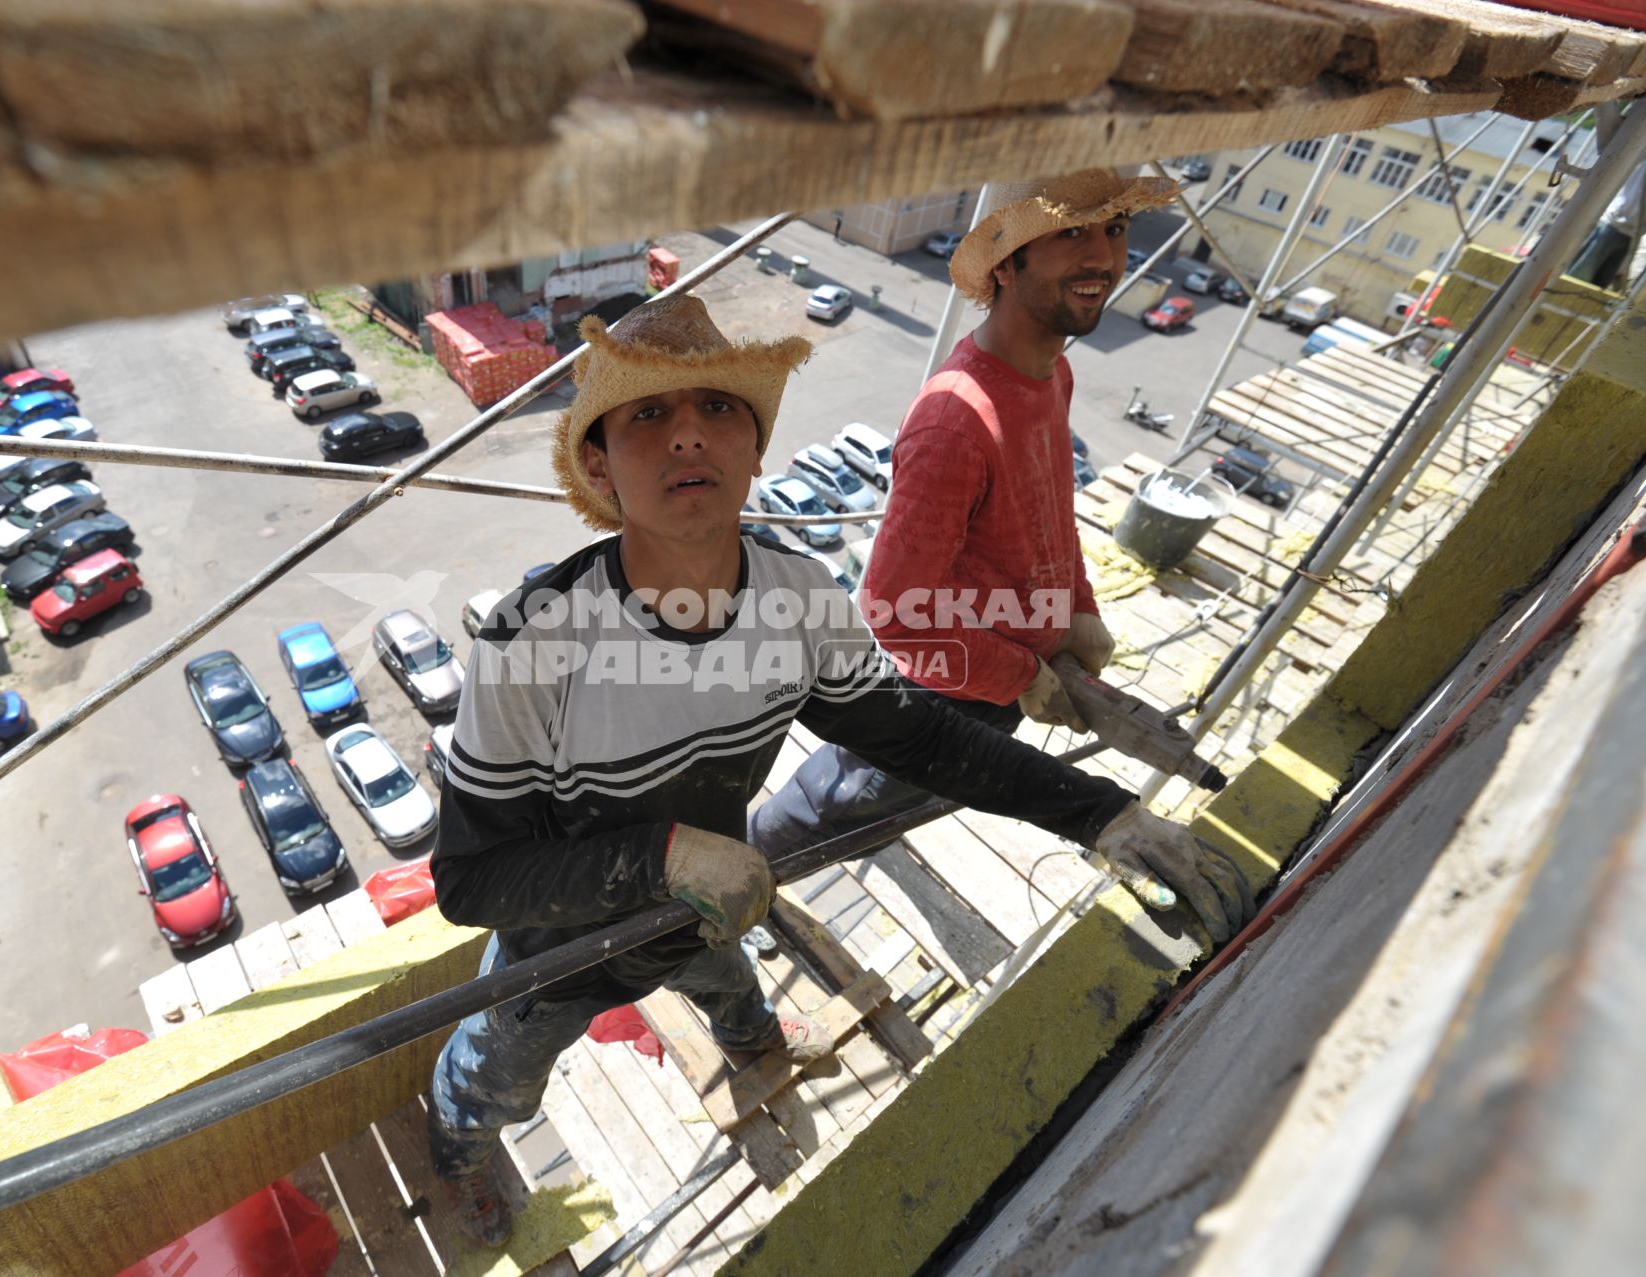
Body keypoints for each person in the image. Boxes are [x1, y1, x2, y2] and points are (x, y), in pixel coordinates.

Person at [425, 293, 1249, 1246]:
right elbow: (470, 879)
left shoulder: (795, 601)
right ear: (598, 466)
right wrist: (661, 856)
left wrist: (1101, 814)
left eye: (719, 408)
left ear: (757, 448)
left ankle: (758, 1050)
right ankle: (463, 1156)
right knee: (491, 1077)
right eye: (649, 413)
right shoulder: (537, 640)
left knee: (736, 994)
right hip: (558, 952)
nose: (689, 433)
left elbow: (920, 736)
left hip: (702, 912)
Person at [751, 168, 1189, 867]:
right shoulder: (956, 419)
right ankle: (722, 894)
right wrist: (1020, 675)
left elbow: (1052, 510)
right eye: (1070, 232)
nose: (1103, 256)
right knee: (824, 812)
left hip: (1008, 680)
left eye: (1115, 229)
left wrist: (1077, 605)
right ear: (1007, 263)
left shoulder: (1055, 375)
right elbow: (895, 611)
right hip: (941, 690)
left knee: (895, 809)